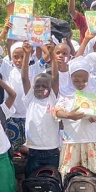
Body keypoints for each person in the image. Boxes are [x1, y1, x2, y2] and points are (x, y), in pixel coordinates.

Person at [0, 21, 46, 151]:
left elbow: (47, 55)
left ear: (29, 54)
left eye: (22, 56)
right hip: (12, 116)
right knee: (13, 149)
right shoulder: (7, 68)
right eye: (16, 57)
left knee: (31, 148)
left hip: (29, 115)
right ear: (11, 57)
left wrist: (34, 36)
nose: (19, 60)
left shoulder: (34, 68)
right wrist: (4, 32)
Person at [54, 57, 96, 177]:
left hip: (89, 139)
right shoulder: (65, 92)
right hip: (71, 140)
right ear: (70, 77)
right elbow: (56, 111)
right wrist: (69, 115)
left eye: (84, 80)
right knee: (69, 174)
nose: (81, 84)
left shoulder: (92, 91)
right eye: (76, 81)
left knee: (92, 175)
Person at [22, 42, 60, 178]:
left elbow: (55, 78)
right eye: (37, 85)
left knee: (51, 182)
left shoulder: (52, 99)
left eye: (44, 86)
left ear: (50, 89)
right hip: (33, 150)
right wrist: (26, 55)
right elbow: (24, 78)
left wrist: (53, 53)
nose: (40, 88)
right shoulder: (30, 99)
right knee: (33, 181)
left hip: (52, 150)